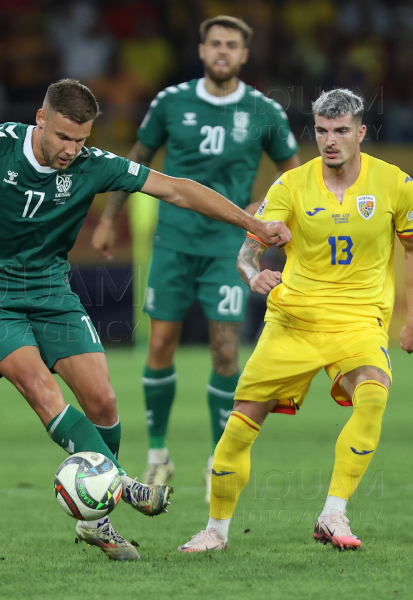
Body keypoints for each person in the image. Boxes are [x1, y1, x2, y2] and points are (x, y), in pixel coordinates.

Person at [0, 79, 290, 561]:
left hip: (51, 291)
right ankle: (124, 487)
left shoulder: (94, 167)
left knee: (103, 399)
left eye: (81, 140)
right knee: (41, 389)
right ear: (40, 119)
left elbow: (177, 190)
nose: (71, 150)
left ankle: (96, 523)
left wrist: (253, 224)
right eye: (62, 138)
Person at [178, 88, 413, 553]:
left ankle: (333, 511)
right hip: (293, 320)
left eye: (340, 131)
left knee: (373, 395)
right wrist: (253, 275)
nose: (329, 140)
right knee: (239, 424)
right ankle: (216, 529)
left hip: (358, 320)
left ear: (361, 133)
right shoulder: (290, 186)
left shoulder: (396, 184)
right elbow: (249, 252)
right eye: (321, 130)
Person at [91, 15, 301, 502]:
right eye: (215, 43)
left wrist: (262, 210)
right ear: (202, 50)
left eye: (232, 44)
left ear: (244, 55)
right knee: (161, 344)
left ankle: (217, 459)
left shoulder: (264, 110)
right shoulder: (171, 102)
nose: (223, 51)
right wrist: (107, 218)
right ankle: (158, 455)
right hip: (174, 242)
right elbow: (135, 161)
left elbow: (295, 174)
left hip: (228, 250)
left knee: (226, 351)